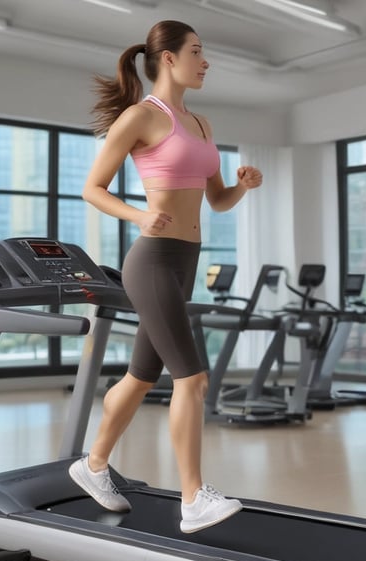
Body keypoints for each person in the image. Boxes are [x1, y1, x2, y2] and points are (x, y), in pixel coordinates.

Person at [68, 19, 263, 533]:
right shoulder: (141, 117)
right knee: (193, 380)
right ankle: (193, 497)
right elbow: (93, 188)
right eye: (197, 51)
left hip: (186, 261)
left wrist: (241, 186)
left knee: (139, 378)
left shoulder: (200, 124)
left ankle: (91, 466)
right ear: (169, 59)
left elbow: (216, 201)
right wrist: (137, 216)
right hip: (152, 259)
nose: (206, 61)